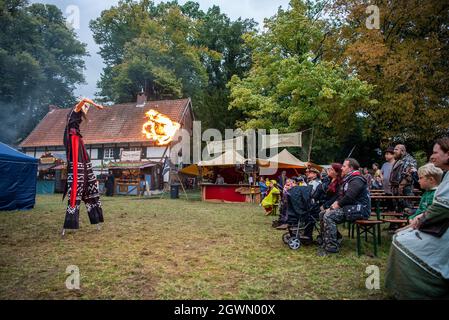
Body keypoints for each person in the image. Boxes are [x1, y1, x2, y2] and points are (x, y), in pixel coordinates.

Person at [385, 137, 449, 299]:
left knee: (402, 241)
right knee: (400, 237)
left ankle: (420, 292)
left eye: (435, 153)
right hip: (440, 224)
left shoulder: (409, 162)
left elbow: (441, 208)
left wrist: (418, 221)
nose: (432, 156)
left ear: (448, 155)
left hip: (444, 229)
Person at [62, 98, 105, 235]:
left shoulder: (78, 115)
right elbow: (84, 99)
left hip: (78, 139)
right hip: (73, 139)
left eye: (87, 107)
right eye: (86, 107)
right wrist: (95, 104)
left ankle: (95, 215)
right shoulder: (76, 109)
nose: (87, 108)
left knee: (85, 166)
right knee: (77, 168)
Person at [319, 158, 371, 255]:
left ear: (350, 168)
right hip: (351, 207)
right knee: (322, 213)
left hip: (360, 210)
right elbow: (342, 196)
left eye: (344, 166)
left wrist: (337, 205)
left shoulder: (357, 179)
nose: (342, 168)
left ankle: (332, 248)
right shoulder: (349, 178)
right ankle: (330, 240)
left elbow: (349, 197)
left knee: (329, 216)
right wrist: (332, 206)